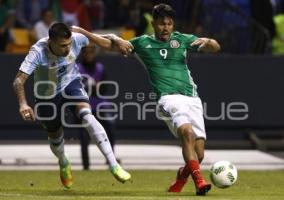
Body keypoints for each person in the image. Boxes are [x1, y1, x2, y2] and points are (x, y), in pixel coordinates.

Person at [71, 3, 220, 196]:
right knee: (187, 133)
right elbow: (109, 44)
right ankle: (200, 182)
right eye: (161, 24)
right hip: (168, 99)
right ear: (153, 23)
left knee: (198, 155)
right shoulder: (143, 43)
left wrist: (209, 42)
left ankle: (180, 179)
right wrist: (89, 33)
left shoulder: (182, 40)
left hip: (192, 99)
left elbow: (215, 48)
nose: (165, 28)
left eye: (169, 23)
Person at [12, 22, 132, 189]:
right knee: (55, 136)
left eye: (68, 44)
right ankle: (63, 161)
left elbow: (103, 41)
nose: (67, 49)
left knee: (87, 116)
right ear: (51, 41)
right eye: (62, 46)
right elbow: (18, 80)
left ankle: (113, 165)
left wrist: (116, 39)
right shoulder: (37, 52)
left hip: (71, 84)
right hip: (47, 94)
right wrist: (23, 104)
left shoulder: (76, 39)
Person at [77, 44, 118, 170]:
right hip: (84, 104)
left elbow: (104, 88)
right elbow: (78, 89)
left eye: (91, 52)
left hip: (100, 104)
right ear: (82, 54)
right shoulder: (77, 68)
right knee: (84, 136)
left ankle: (111, 159)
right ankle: (86, 166)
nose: (89, 54)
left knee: (110, 125)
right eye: (86, 52)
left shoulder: (100, 68)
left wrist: (92, 88)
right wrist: (94, 87)